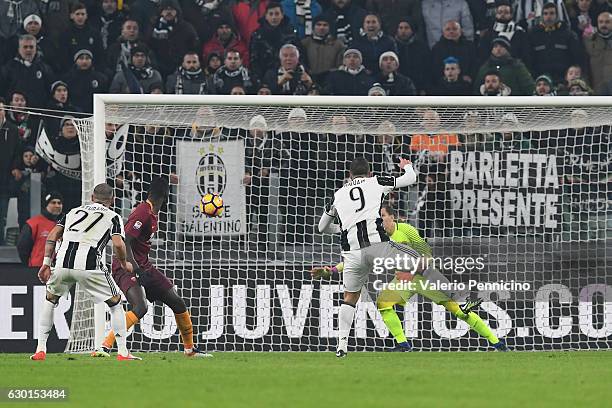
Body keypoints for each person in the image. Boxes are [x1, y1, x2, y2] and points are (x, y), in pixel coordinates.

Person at [312, 204, 506, 352]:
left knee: (458, 311)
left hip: (424, 276)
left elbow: (426, 252)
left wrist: (421, 265)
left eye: (383, 216)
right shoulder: (375, 238)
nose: (380, 221)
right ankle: (403, 343)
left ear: (392, 217)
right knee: (383, 303)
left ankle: (496, 341)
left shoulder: (406, 230)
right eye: (377, 217)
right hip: (403, 279)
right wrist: (331, 270)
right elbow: (356, 261)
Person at [317, 156, 423, 357]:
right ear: (369, 173)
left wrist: (343, 228)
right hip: (378, 247)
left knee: (350, 298)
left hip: (352, 253)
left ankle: (341, 346)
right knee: (419, 261)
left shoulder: (338, 195)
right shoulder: (377, 182)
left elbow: (321, 227)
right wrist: (407, 165)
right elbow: (411, 178)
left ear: (349, 175)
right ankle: (451, 297)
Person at [98, 177, 212, 358]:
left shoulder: (151, 212)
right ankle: (105, 346)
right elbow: (125, 240)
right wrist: (135, 269)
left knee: (177, 303)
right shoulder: (142, 212)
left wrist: (142, 269)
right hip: (125, 266)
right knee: (140, 307)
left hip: (144, 266)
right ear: (166, 196)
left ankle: (190, 350)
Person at [31, 183, 139, 361]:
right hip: (89, 266)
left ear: (91, 197)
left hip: (61, 264)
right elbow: (118, 244)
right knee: (115, 303)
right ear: (112, 200)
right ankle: (122, 352)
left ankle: (40, 349)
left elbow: (52, 236)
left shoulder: (72, 212)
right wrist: (123, 262)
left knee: (50, 300)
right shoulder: (113, 216)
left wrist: (46, 263)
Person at [17, 191, 63, 268]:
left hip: (59, 270)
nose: (57, 205)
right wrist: (30, 265)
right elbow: (22, 248)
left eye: (59, 203)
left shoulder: (66, 223)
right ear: (46, 205)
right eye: (53, 202)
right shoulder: (33, 224)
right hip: (37, 268)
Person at [0, 98, 21, 246]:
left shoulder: (12, 129)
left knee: (2, 215)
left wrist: (15, 167)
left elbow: (17, 152)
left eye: (0, 109)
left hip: (5, 180)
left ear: (5, 110)